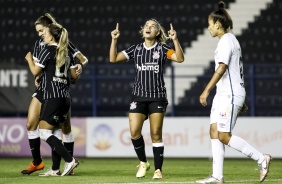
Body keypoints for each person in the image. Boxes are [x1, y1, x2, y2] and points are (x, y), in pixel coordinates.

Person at [196, 2, 271, 183]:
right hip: (225, 94)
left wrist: (206, 90)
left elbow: (222, 68)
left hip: (228, 94)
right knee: (214, 131)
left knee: (223, 135)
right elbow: (235, 72)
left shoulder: (226, 41)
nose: (208, 27)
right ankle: (217, 176)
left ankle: (261, 158)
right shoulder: (230, 41)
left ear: (218, 24)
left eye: (210, 23)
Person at [109, 19, 184, 179]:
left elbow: (179, 58)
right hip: (138, 97)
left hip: (157, 97)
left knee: (156, 133)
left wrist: (175, 40)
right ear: (143, 30)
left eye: (153, 26)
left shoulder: (163, 48)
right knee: (134, 131)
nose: (148, 28)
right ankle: (143, 162)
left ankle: (158, 170)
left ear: (157, 32)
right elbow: (113, 58)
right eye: (146, 26)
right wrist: (114, 40)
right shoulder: (135, 49)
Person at [21, 13, 88, 176]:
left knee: (60, 128)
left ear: (50, 29)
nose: (40, 34)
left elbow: (82, 59)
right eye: (37, 32)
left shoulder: (63, 44)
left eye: (42, 30)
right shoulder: (40, 44)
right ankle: (39, 163)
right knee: (31, 124)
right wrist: (38, 77)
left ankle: (65, 163)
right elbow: (40, 71)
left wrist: (80, 65)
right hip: (48, 88)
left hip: (56, 91)